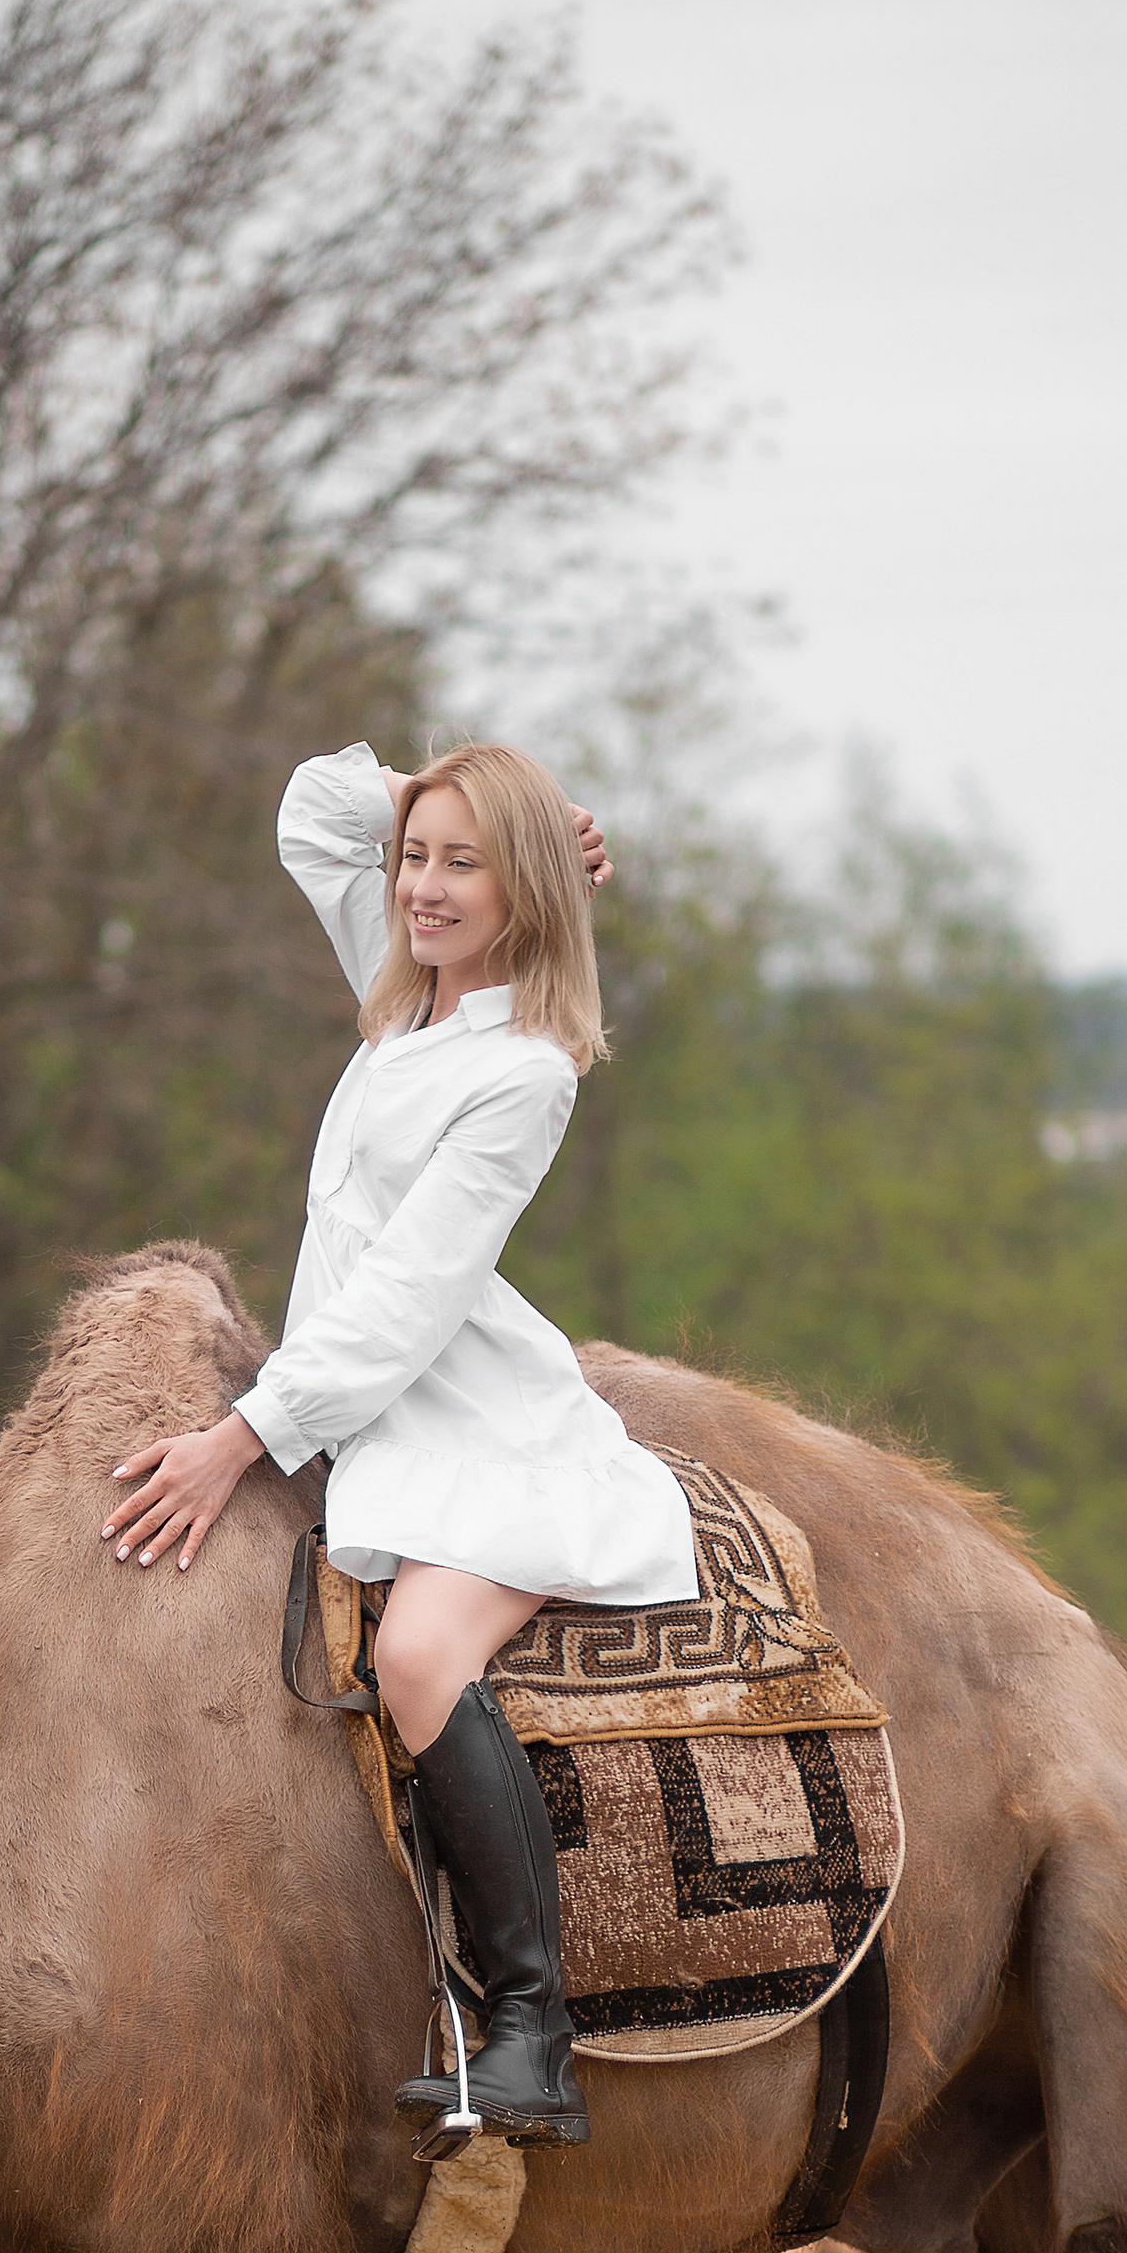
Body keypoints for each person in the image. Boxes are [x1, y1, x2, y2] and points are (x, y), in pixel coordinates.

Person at [103, 738, 698, 2148]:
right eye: (417, 858)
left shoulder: (523, 1070)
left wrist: (239, 1441)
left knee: (421, 1654)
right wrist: (494, 805)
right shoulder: (404, 1005)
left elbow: (410, 1299)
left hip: (471, 1419)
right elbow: (312, 808)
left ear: (527, 894)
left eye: (464, 865)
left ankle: (533, 2032)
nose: (424, 888)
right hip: (382, 1405)